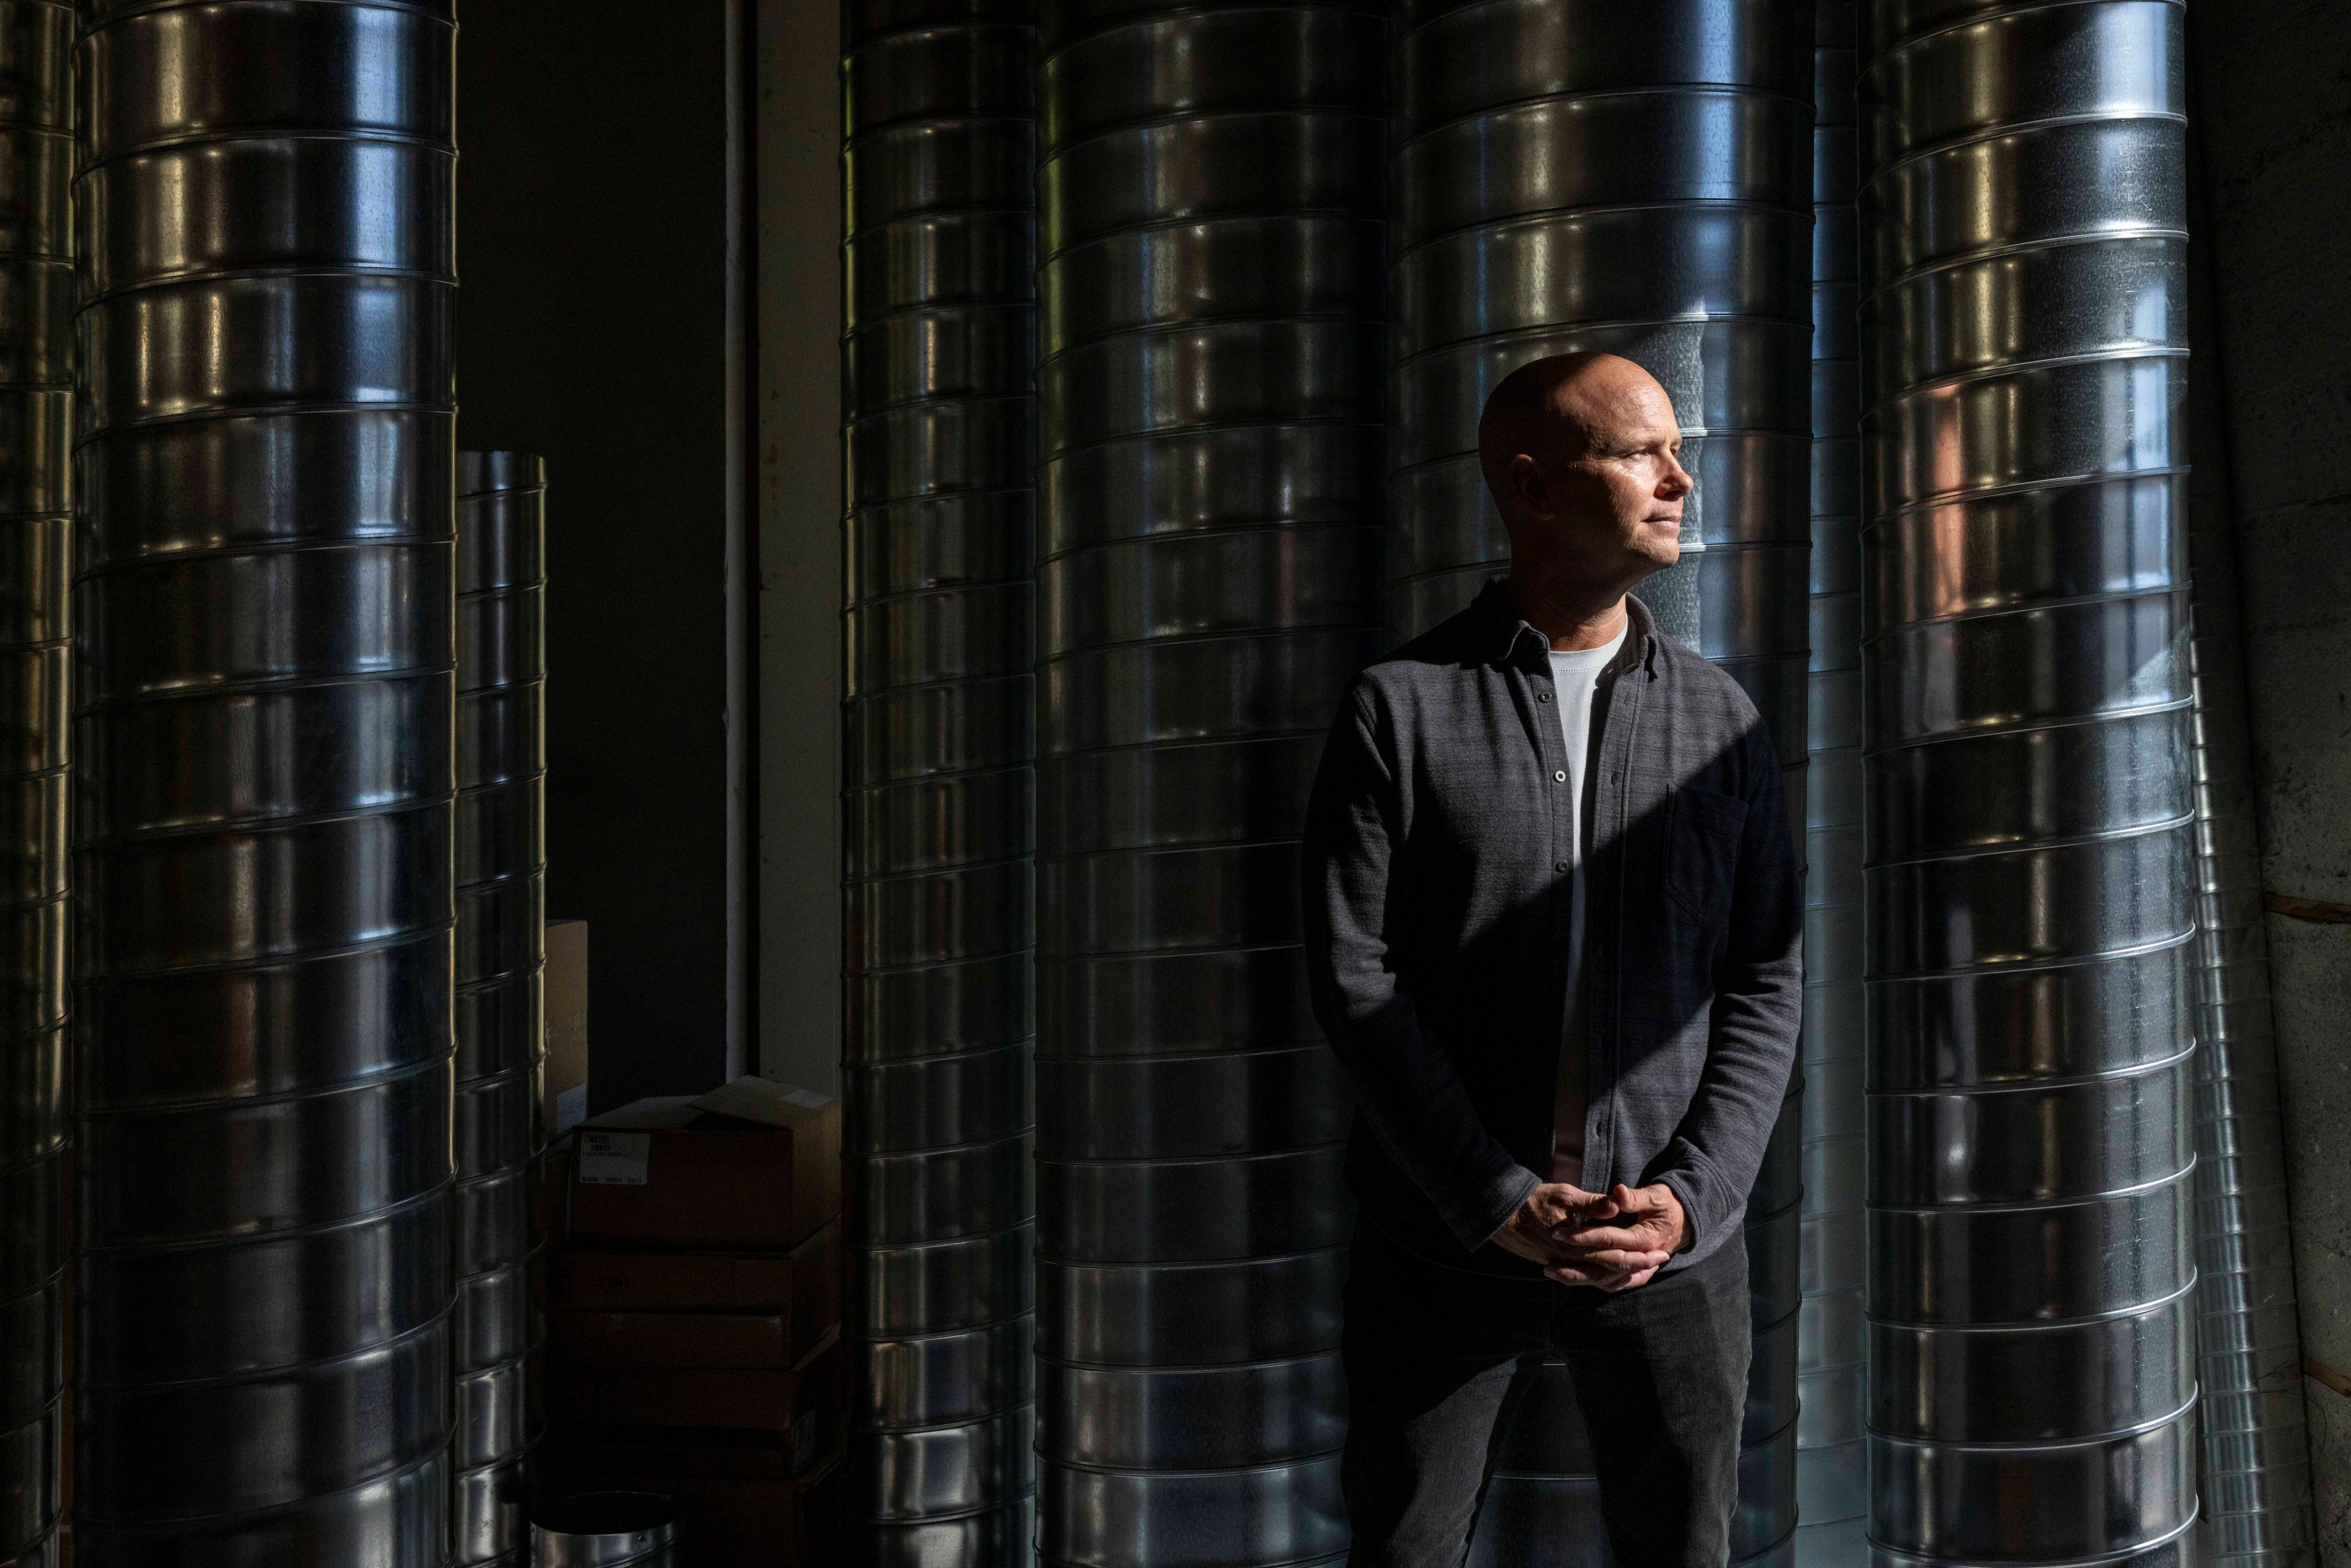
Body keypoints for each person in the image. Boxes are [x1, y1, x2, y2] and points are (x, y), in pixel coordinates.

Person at [1301, 351, 1803, 1567]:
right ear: (1533, 488)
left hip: (1669, 1256)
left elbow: (1766, 974)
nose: (1681, 478)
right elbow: (1353, 970)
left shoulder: (1720, 721)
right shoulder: (1402, 707)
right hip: (1444, 1247)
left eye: (1678, 450)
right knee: (1404, 1547)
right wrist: (1493, 1199)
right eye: (1642, 453)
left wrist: (1686, 1202)